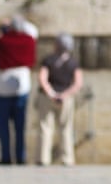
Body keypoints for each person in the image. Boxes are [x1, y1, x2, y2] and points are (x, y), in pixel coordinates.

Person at [0, 15, 38, 165]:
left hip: (2, 89)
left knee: (3, 127)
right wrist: (19, 22)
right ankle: (21, 157)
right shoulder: (29, 39)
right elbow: (34, 30)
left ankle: (6, 157)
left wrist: (2, 30)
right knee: (20, 127)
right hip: (22, 88)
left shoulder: (0, 42)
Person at [36, 32, 85, 166]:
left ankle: (43, 158)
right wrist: (64, 95)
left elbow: (42, 79)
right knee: (66, 128)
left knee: (45, 127)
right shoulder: (73, 62)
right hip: (65, 97)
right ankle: (67, 158)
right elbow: (78, 83)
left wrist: (51, 93)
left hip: (48, 97)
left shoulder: (48, 60)